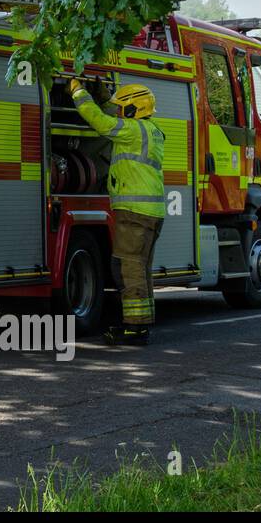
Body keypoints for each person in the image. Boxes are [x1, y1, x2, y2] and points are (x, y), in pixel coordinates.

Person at [69, 78, 165, 345]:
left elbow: (101, 122)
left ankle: (134, 329)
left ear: (133, 111)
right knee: (140, 267)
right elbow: (114, 115)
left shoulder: (133, 130)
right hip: (150, 212)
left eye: (123, 108)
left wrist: (78, 92)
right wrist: (105, 96)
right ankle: (142, 323)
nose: (120, 112)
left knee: (128, 267)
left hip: (134, 212)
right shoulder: (151, 129)